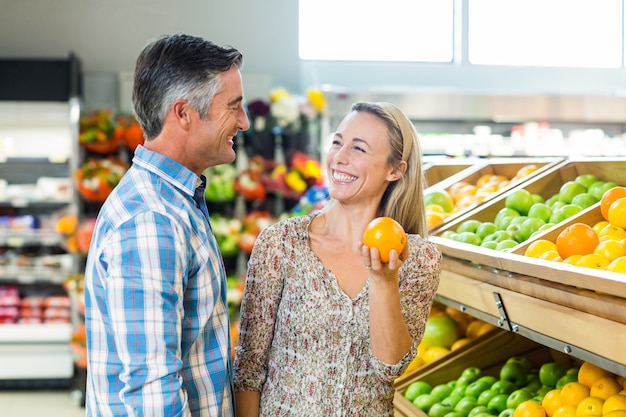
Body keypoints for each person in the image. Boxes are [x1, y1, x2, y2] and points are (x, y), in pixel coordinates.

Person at [233, 101, 443, 416]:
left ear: (395, 169)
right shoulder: (281, 244)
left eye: (358, 149)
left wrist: (384, 280)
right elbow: (249, 370)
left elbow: (390, 366)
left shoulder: (417, 258)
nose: (339, 158)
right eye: (337, 142)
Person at [83, 34, 249, 417]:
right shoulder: (152, 220)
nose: (244, 121)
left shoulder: (175, 201)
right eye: (233, 107)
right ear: (184, 113)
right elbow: (153, 394)